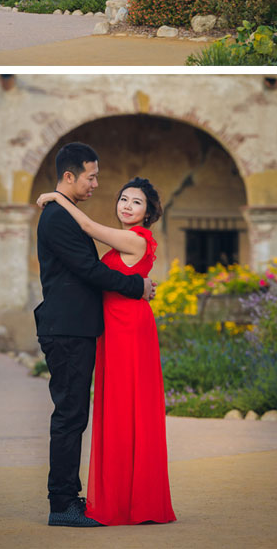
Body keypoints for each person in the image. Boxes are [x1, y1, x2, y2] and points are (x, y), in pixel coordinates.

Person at [37, 177, 176, 527]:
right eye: (124, 199)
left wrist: (56, 197)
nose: (127, 206)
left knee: (127, 408)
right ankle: (121, 496)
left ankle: (133, 501)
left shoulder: (134, 238)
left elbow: (85, 225)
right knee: (115, 409)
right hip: (113, 327)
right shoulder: (127, 238)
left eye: (137, 203)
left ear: (149, 212)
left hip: (128, 328)